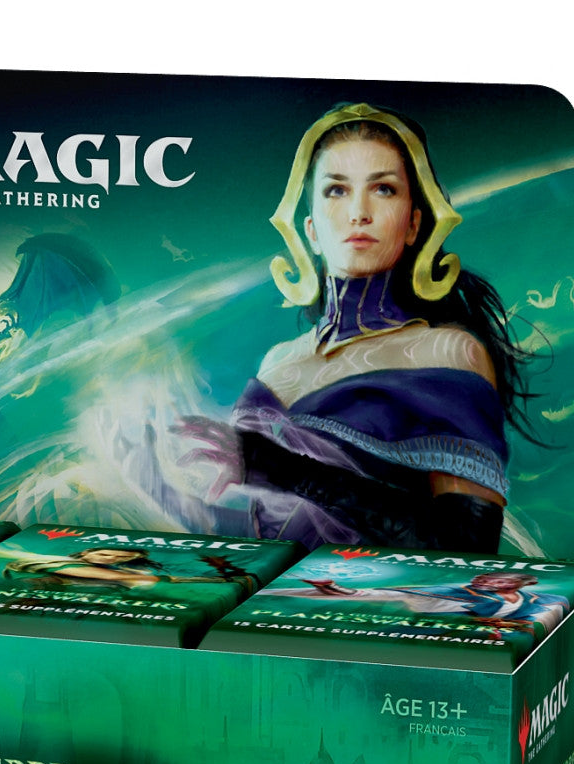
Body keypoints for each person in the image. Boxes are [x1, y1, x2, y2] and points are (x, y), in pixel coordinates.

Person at [185, 103, 534, 553]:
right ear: (310, 230)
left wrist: (283, 469)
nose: (358, 212)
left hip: (385, 598)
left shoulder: (446, 354)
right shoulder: (276, 365)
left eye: (383, 189)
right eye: (336, 190)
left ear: (413, 224)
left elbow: (463, 548)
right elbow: (263, 531)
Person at [267, 571, 569, 634]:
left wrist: (524, 626)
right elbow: (391, 594)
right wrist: (339, 589)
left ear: (515, 583)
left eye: (500, 581)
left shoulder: (534, 599)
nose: (491, 581)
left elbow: (560, 605)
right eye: (489, 578)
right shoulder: (460, 592)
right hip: (428, 615)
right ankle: (332, 590)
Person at [3, 547, 258, 592]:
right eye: (104, 554)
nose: (110, 558)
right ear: (86, 553)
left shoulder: (118, 573)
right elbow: (106, 575)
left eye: (118, 557)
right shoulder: (55, 561)